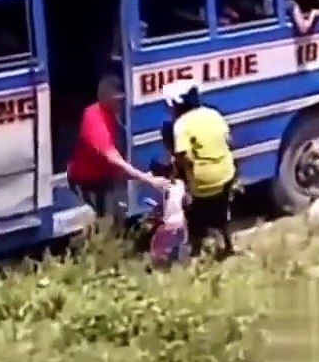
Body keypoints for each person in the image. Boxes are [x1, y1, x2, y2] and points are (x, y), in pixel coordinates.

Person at [67, 75, 169, 226]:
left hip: (104, 179)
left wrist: (142, 177)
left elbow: (115, 166)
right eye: (118, 100)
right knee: (103, 224)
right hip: (86, 182)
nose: (121, 104)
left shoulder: (111, 116)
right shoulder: (95, 121)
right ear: (106, 98)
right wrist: (150, 180)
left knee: (116, 218)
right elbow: (114, 159)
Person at [162, 80, 237, 258]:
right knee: (221, 208)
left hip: (203, 183)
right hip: (227, 174)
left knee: (194, 214)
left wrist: (182, 174)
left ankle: (195, 248)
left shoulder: (180, 125)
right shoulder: (213, 114)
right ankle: (227, 244)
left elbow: (183, 157)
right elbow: (230, 142)